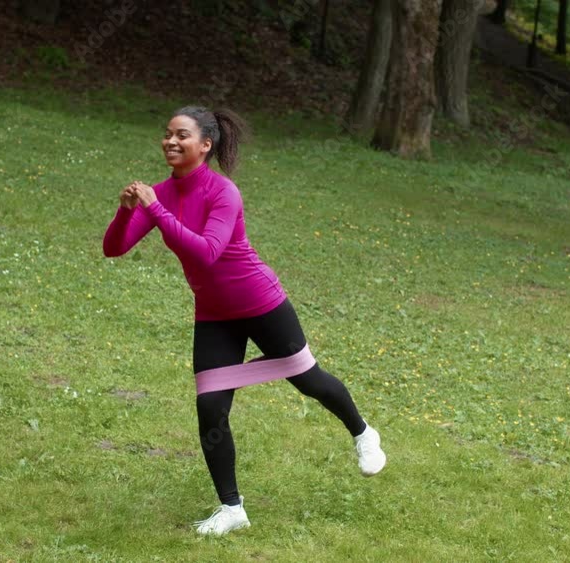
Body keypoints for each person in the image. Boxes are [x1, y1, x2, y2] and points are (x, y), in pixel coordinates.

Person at [102, 105, 386, 537]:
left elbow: (206, 252)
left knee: (309, 380)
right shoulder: (160, 193)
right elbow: (114, 248)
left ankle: (363, 433)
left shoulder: (223, 192)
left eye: (181, 135)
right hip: (214, 313)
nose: (171, 141)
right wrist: (126, 211)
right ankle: (232, 508)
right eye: (167, 134)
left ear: (205, 144)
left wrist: (156, 211)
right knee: (210, 407)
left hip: (260, 302)